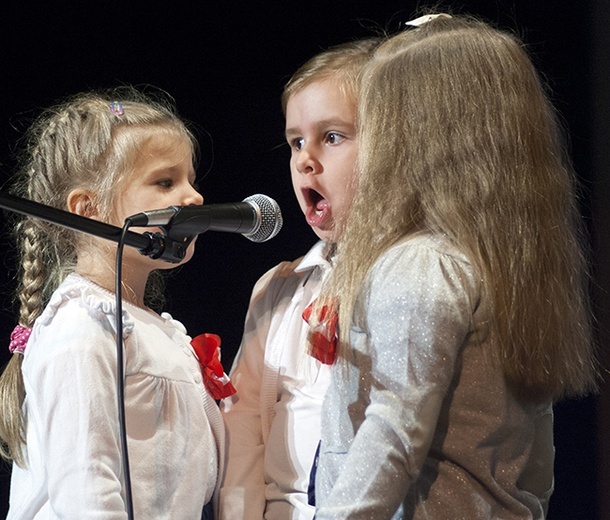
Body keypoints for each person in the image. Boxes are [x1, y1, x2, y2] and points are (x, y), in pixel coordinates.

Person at [309, 14, 599, 519]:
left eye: (376, 119)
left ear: (413, 132)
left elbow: (393, 431)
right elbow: (538, 461)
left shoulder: (423, 264)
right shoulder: (502, 267)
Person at [0, 87, 232, 518]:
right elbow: (87, 492)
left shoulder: (153, 329)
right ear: (88, 210)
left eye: (191, 181)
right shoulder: (81, 330)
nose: (195, 198)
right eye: (166, 182)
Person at [217, 38, 380, 520]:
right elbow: (244, 431)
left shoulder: (411, 284)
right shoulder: (278, 291)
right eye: (295, 141)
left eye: (332, 136)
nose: (305, 159)